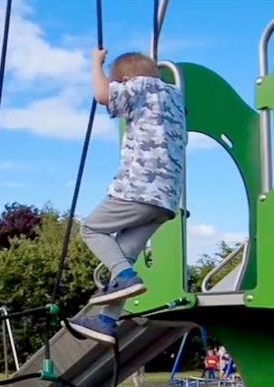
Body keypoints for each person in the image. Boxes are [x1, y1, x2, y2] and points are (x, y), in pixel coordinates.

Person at [67, 48, 187, 344]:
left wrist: (95, 63)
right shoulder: (174, 97)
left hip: (138, 187)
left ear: (126, 78)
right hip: (167, 199)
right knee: (124, 253)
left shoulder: (138, 86)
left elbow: (102, 95)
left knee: (92, 229)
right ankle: (107, 320)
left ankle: (124, 277)